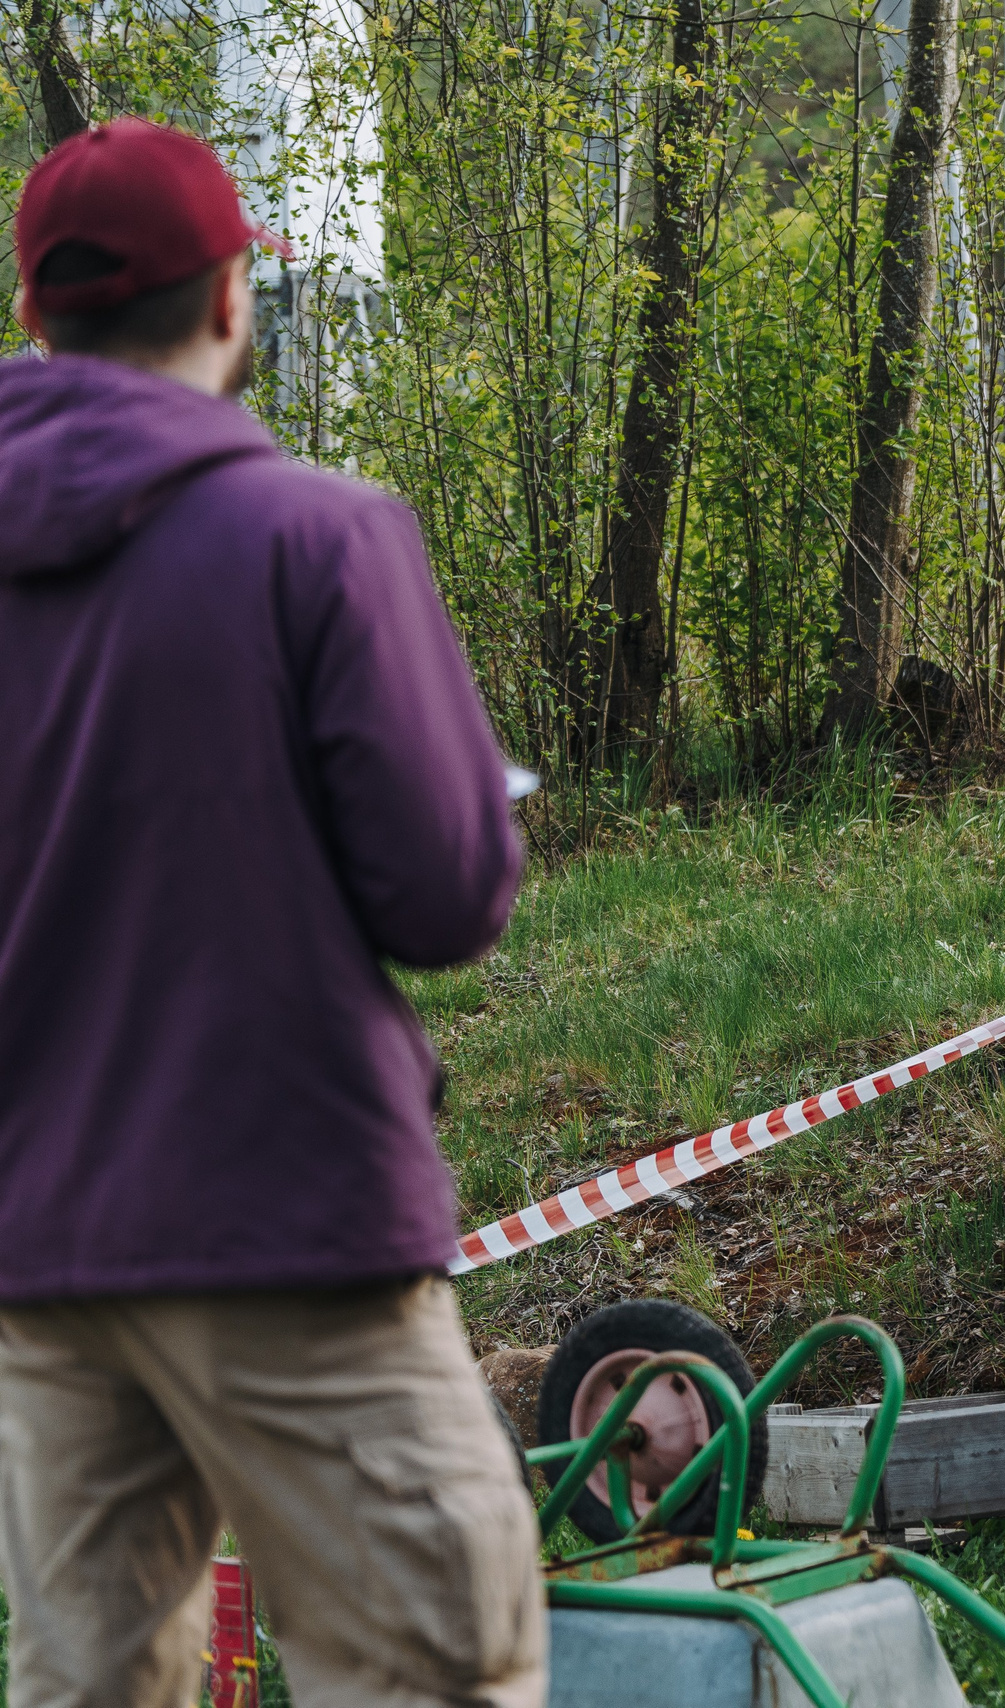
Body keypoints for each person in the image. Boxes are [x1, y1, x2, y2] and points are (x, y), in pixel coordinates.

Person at [0, 119, 545, 1705]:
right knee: (437, 1661)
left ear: (36, 314)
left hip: (42, 1247)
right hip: (288, 1218)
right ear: (235, 296)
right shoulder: (318, 538)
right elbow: (446, 895)